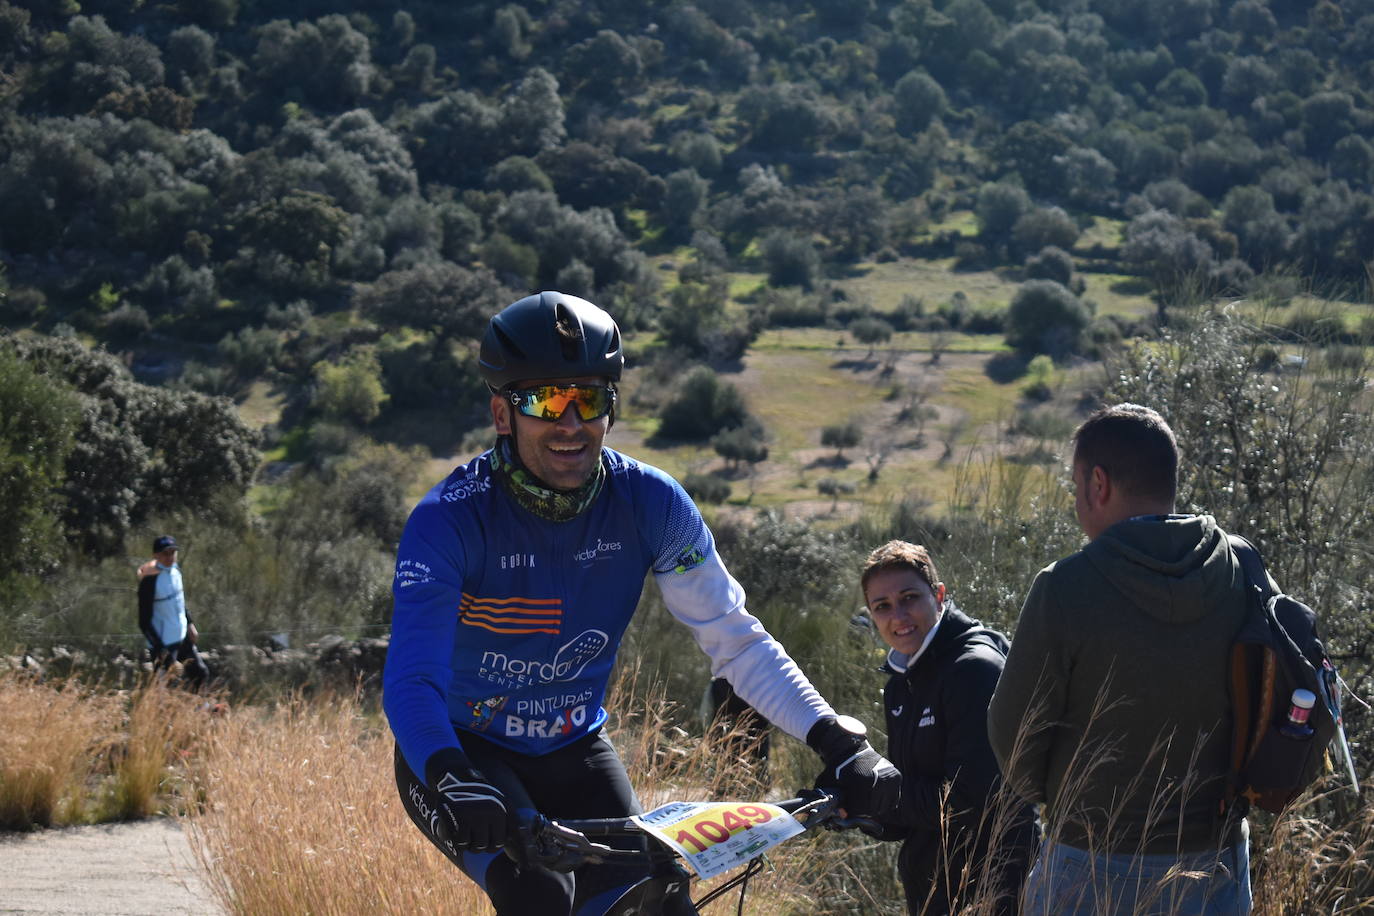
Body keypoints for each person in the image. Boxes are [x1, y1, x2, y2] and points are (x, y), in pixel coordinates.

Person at [382, 291, 901, 916]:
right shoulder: (450, 519)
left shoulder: (652, 504)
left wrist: (840, 743)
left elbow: (734, 638)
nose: (571, 423)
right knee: (541, 895)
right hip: (464, 753)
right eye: (547, 400)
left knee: (659, 898)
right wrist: (452, 777)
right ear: (502, 412)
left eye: (591, 399)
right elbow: (412, 680)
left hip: (575, 749)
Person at [987, 403, 1254, 914]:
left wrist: (1061, 801)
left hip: (1088, 863)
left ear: (1098, 484)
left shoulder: (1064, 588)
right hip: (1217, 863)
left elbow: (1013, 734)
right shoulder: (1242, 569)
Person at [861, 540, 1037, 915]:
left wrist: (876, 793)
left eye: (909, 597)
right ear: (872, 615)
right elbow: (911, 807)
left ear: (938, 595)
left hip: (991, 887)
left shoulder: (973, 670)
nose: (899, 616)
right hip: (934, 888)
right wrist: (854, 804)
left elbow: (966, 804)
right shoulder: (900, 682)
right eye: (883, 606)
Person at [136, 535, 209, 689]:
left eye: (173, 552)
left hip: (181, 635)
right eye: (165, 553)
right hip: (164, 642)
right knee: (166, 686)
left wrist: (190, 624)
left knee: (200, 673)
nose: (170, 557)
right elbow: (144, 621)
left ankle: (199, 710)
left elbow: (179, 601)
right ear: (156, 555)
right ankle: (162, 713)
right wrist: (160, 649)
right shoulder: (149, 581)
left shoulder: (176, 570)